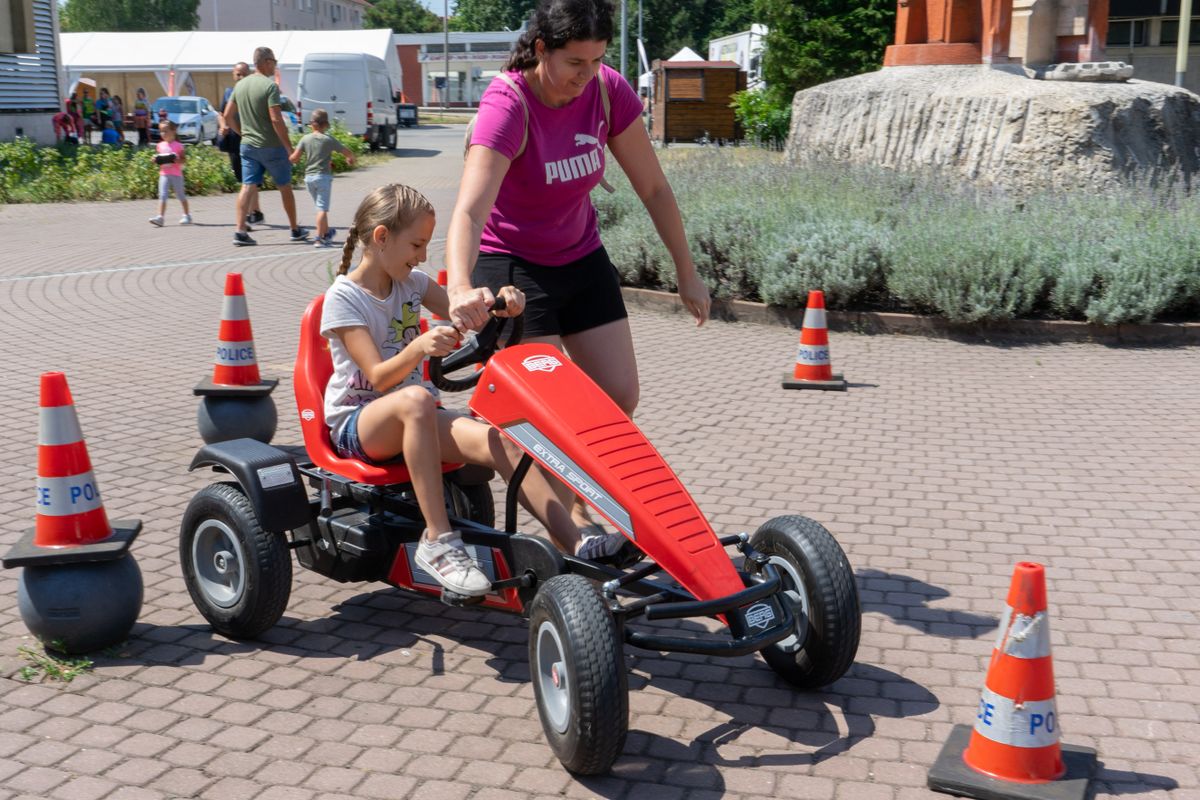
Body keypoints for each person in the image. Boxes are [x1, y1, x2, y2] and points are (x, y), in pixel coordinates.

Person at [445, 0, 711, 535]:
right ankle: (570, 529)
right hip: (513, 265)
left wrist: (687, 269)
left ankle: (579, 498)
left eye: (596, 62)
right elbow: (470, 212)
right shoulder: (508, 105)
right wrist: (459, 286)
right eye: (575, 64)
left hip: (580, 255)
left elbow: (654, 187)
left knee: (618, 395)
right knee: (547, 410)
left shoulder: (607, 91)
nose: (586, 77)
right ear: (541, 49)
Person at [323, 184, 629, 595]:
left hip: (417, 416)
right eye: (416, 243)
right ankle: (438, 541)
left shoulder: (412, 283)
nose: (422, 256)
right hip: (359, 424)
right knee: (415, 399)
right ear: (381, 237)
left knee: (501, 441)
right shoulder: (343, 299)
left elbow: (461, 309)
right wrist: (418, 347)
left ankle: (577, 541)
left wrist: (501, 303)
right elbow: (379, 378)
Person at [223, 47, 307, 246]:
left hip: (248, 146)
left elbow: (227, 116)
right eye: (274, 62)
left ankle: (240, 232)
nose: (275, 66)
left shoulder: (240, 85)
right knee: (284, 187)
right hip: (272, 146)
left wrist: (242, 132)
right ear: (267, 62)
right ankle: (295, 230)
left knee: (247, 186)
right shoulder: (270, 87)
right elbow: (276, 119)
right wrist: (289, 148)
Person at [289, 108, 355, 247]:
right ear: (325, 124)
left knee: (320, 208)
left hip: (309, 179)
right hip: (323, 178)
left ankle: (326, 233)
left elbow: (294, 158)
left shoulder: (305, 139)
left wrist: (288, 157)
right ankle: (319, 239)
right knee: (322, 209)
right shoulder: (328, 140)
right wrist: (350, 158)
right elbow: (345, 151)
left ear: (312, 124)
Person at [217, 62, 263, 224]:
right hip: (235, 142)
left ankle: (251, 214)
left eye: (243, 73)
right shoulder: (229, 93)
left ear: (250, 74)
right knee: (246, 179)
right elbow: (222, 114)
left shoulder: (254, 92)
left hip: (252, 140)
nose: (240, 77)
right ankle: (255, 212)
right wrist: (223, 126)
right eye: (237, 74)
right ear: (233, 75)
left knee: (249, 179)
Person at [148, 120, 192, 227]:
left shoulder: (178, 145)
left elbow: (183, 160)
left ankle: (187, 215)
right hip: (164, 174)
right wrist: (154, 159)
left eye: (166, 131)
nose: (163, 134)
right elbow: (159, 159)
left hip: (176, 174)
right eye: (161, 131)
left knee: (180, 195)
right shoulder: (160, 145)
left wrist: (178, 160)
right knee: (162, 195)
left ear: (173, 131)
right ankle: (160, 217)